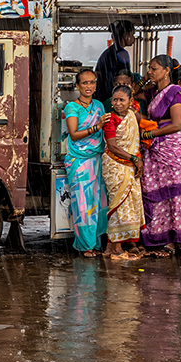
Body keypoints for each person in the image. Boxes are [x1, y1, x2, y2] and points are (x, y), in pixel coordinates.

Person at [139, 55, 181, 256]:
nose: (150, 72)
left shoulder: (175, 92)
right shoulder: (154, 91)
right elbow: (131, 93)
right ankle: (156, 236)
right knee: (154, 193)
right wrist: (145, 80)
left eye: (154, 69)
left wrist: (150, 133)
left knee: (173, 196)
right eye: (149, 68)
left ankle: (173, 240)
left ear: (167, 71)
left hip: (172, 149)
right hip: (156, 149)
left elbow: (177, 124)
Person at [62, 69, 108, 257]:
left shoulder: (99, 106)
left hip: (96, 159)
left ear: (96, 85)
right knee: (82, 204)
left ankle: (96, 244)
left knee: (98, 203)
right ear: (77, 86)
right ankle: (85, 245)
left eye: (91, 82)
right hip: (79, 161)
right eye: (84, 83)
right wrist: (97, 126)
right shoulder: (71, 107)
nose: (88, 86)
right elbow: (74, 134)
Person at [101, 85, 145, 258]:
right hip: (115, 165)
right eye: (115, 100)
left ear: (130, 102)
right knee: (117, 205)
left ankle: (111, 248)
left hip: (130, 165)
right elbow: (112, 146)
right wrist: (134, 159)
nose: (118, 103)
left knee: (127, 204)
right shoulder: (109, 119)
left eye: (122, 100)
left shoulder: (132, 117)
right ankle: (117, 248)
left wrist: (136, 161)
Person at [96, 20, 135, 103]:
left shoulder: (107, 53)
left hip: (102, 97)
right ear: (125, 36)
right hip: (114, 97)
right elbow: (125, 77)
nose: (133, 38)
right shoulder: (122, 53)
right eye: (132, 35)